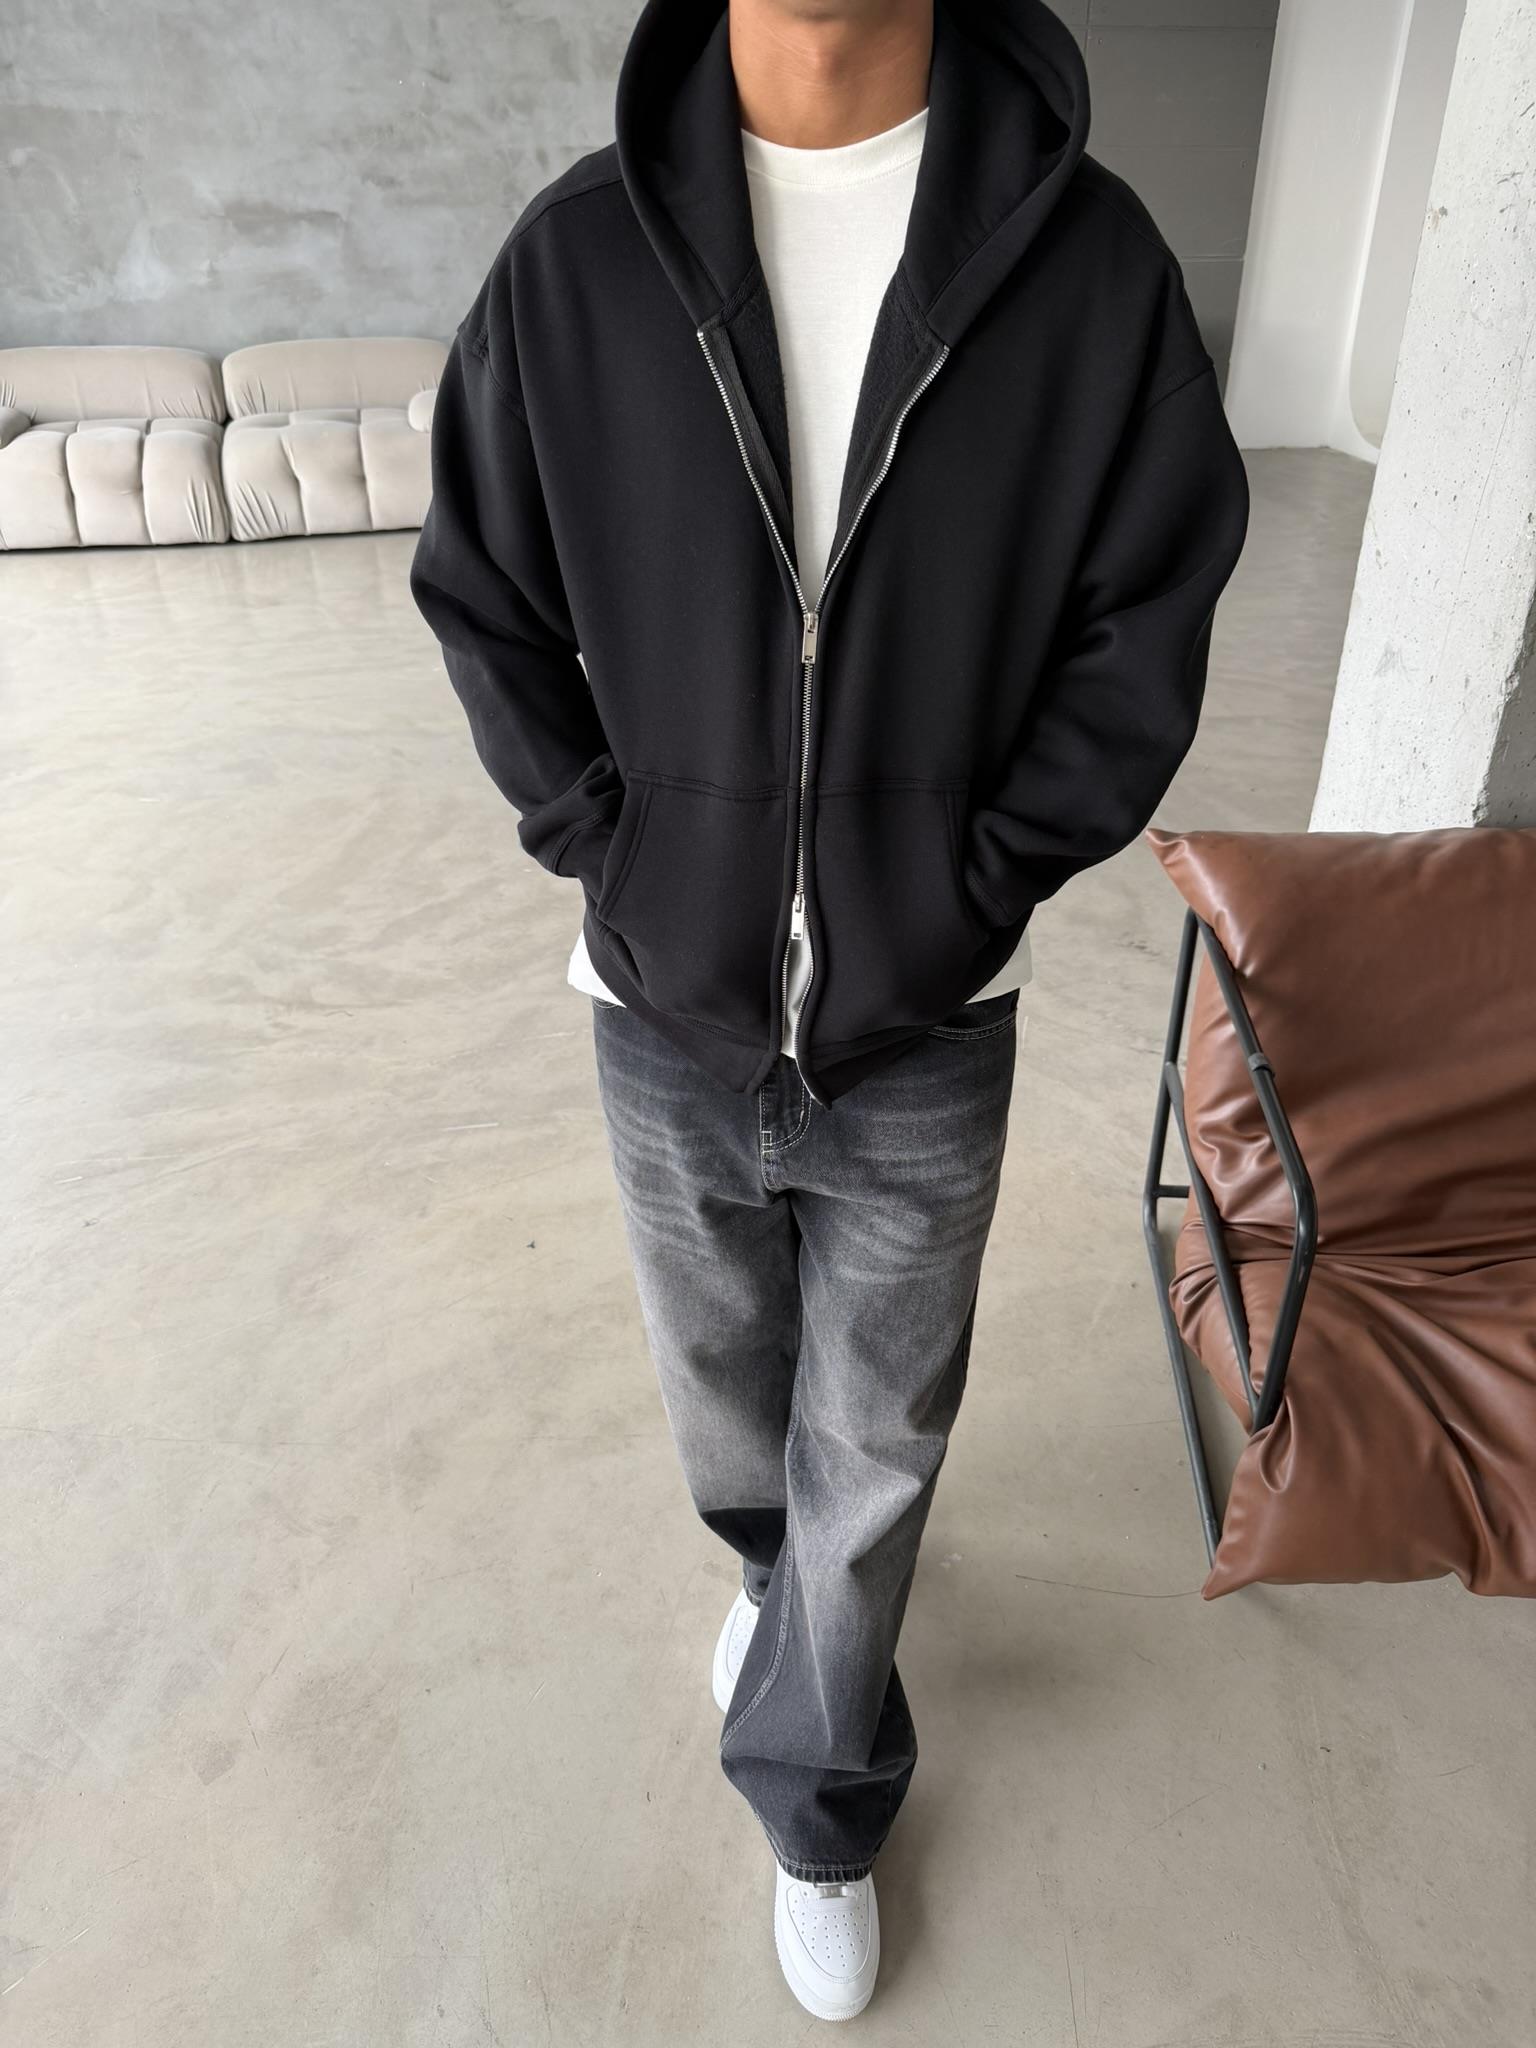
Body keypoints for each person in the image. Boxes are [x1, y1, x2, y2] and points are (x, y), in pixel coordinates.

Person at [411, 0, 1248, 2019]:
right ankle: (778, 1589)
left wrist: (974, 880)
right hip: (662, 1004)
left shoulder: (1086, 264)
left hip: (930, 1014)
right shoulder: (578, 261)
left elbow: (1145, 619)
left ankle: (819, 1800)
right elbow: (484, 592)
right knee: (729, 1402)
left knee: (876, 1435)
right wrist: (617, 851)